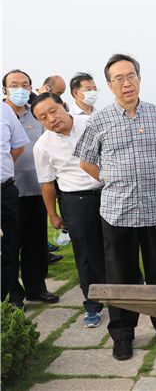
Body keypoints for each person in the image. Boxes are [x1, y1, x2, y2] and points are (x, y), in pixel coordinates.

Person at [74, 53, 156, 361]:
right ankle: (122, 334)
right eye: (119, 78)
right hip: (117, 212)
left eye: (131, 76)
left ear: (139, 78)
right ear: (110, 85)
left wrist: (145, 171)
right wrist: (112, 178)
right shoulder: (99, 120)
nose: (127, 83)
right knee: (120, 277)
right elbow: (86, 161)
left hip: (154, 209)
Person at [31, 93, 106, 327]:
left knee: (117, 244)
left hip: (108, 192)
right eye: (43, 117)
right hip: (76, 201)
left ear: (64, 106)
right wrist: (53, 215)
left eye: (53, 111)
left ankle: (128, 293)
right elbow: (46, 183)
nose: (51, 119)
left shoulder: (91, 123)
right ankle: (92, 304)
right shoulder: (42, 146)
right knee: (85, 253)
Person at [3, 69, 61, 305]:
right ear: (5, 89)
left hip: (37, 188)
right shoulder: (4, 113)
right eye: (14, 85)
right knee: (10, 245)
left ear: (31, 87)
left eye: (25, 84)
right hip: (10, 190)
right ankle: (13, 294)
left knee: (36, 242)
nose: (20, 89)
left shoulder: (37, 113)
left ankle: (37, 288)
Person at [1, 84, 29, 307]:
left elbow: (18, 145)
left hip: (4, 190)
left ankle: (11, 298)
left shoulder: (4, 110)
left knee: (8, 245)